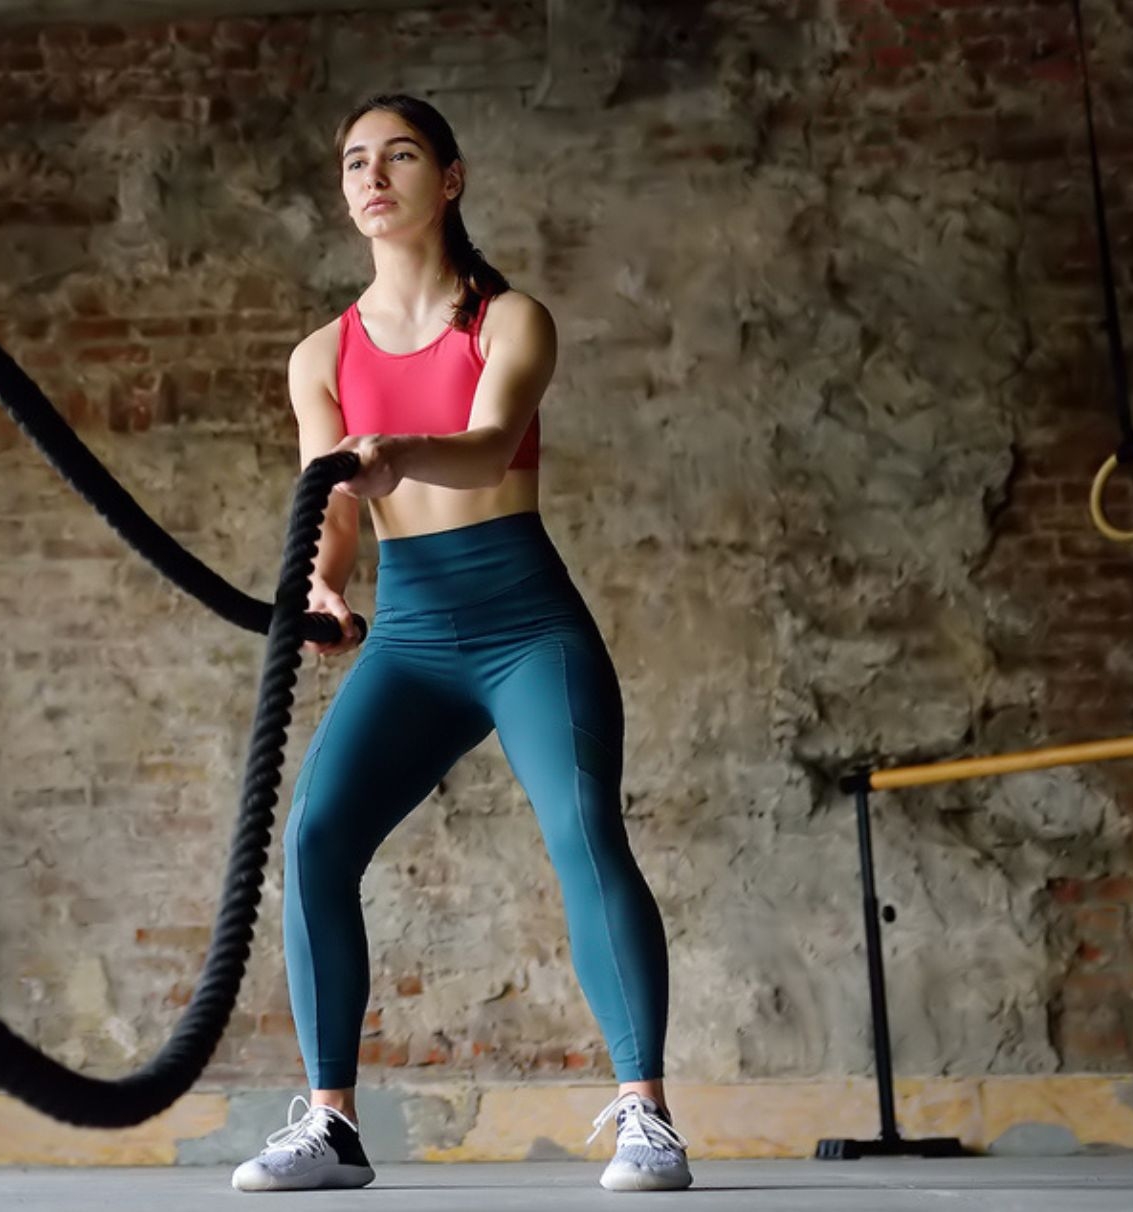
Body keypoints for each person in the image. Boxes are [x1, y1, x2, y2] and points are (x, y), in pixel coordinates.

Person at [230, 93, 690, 1195]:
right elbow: (330, 502)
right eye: (353, 162)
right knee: (316, 839)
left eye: (399, 156)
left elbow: (487, 449)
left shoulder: (510, 318)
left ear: (452, 177)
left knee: (583, 829)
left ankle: (647, 1116)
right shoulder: (320, 355)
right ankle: (333, 1127)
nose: (372, 177)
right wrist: (328, 585)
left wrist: (397, 455)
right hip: (417, 635)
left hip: (525, 621)